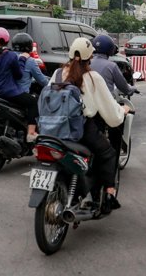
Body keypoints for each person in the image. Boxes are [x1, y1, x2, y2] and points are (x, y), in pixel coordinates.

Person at [53, 37, 129, 214]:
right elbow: (111, 113)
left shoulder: (57, 74)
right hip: (80, 129)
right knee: (108, 153)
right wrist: (123, 111)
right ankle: (109, 193)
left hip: (53, 128)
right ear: (90, 57)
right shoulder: (93, 78)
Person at [0, 27, 39, 142]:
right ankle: (31, 133)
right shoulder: (11, 56)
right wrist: (22, 59)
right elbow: (18, 75)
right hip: (8, 92)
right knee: (32, 102)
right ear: (8, 41)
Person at [11, 32, 47, 141]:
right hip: (19, 95)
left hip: (2, 92)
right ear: (29, 46)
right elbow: (42, 81)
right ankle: (31, 133)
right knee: (33, 102)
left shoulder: (9, 57)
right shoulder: (30, 61)